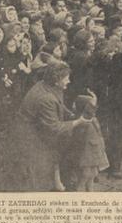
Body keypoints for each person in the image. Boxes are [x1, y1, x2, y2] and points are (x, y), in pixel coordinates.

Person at [17, 60, 89, 191]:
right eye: (66, 78)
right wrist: (78, 122)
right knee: (40, 173)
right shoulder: (46, 98)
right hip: (31, 136)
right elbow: (54, 127)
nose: (69, 81)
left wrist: (71, 115)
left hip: (37, 128)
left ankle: (57, 180)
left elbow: (59, 106)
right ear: (57, 80)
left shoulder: (47, 85)